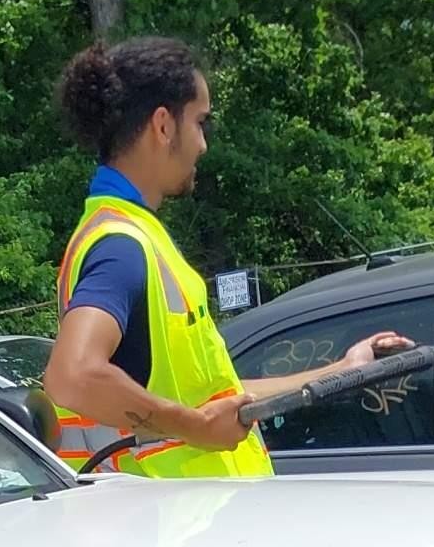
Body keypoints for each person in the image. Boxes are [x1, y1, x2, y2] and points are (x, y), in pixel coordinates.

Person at [41, 37, 407, 477]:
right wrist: (196, 428)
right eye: (200, 123)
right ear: (163, 126)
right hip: (172, 531)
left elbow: (217, 401)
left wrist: (343, 369)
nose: (203, 145)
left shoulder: (130, 235)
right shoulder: (122, 245)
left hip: (185, 528)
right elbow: (72, 375)